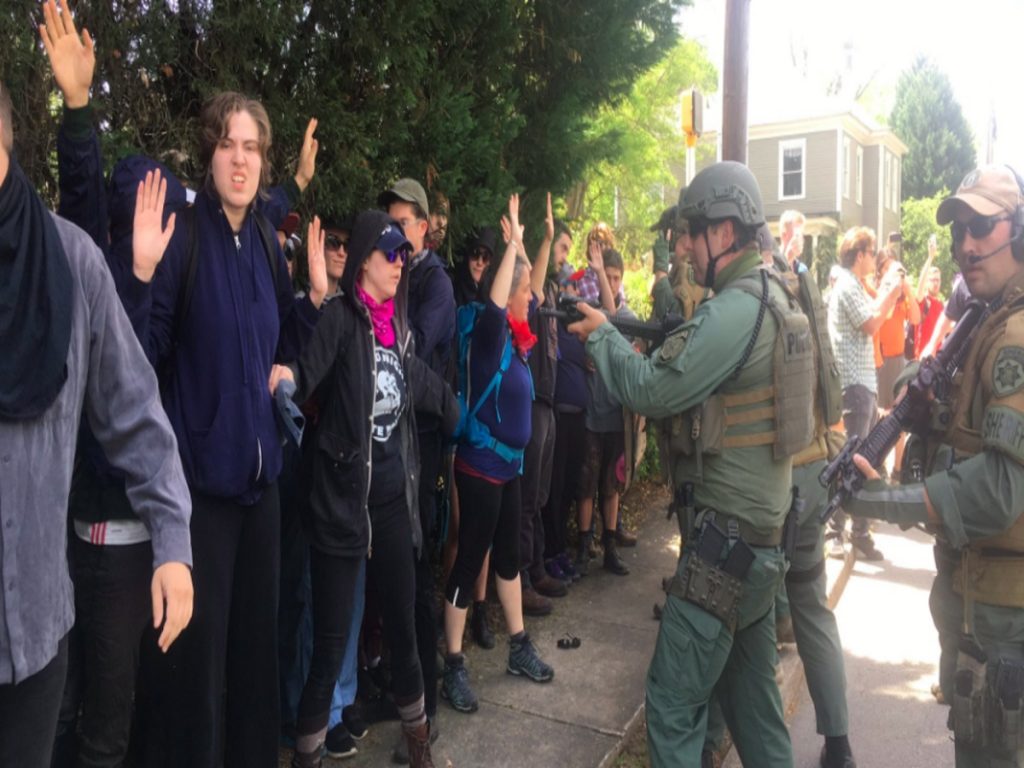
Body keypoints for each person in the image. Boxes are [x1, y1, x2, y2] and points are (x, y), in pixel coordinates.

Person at [568, 161, 813, 767]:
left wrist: (602, 336)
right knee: (754, 710)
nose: (680, 243)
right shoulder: (774, 293)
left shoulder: (735, 310)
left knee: (673, 707)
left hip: (722, 556)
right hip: (759, 548)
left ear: (724, 233)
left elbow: (651, 391)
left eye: (690, 230)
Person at [123, 91, 326, 768]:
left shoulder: (266, 240)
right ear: (209, 152)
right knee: (195, 677)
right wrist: (143, 273)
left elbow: (276, 339)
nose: (239, 160)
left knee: (254, 668)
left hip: (260, 489)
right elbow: (138, 361)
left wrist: (308, 320)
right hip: (199, 498)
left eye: (251, 147)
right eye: (227, 144)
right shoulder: (183, 237)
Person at [0, 78, 194, 768]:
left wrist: (174, 537)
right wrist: (79, 112)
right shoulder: (100, 258)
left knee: (92, 724)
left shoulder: (71, 263)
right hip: (93, 539)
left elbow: (136, 408)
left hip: (46, 618)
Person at [841, 164, 1024, 767]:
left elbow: (999, 490)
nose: (967, 244)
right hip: (978, 602)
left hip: (1004, 613)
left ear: (1018, 232)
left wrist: (882, 500)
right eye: (959, 231)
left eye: (982, 226)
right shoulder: (988, 319)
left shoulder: (1015, 336)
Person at [271, 211, 457, 768]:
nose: (400, 263)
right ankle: (306, 758)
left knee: (402, 629)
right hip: (341, 505)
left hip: (391, 502)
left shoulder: (395, 328)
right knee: (330, 644)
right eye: (390, 254)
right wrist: (287, 380)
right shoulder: (339, 320)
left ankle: (419, 746)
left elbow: (418, 380)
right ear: (365, 263)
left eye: (404, 255)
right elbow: (307, 371)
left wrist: (454, 408)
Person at [441, 194, 555, 715]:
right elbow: (496, 298)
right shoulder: (489, 334)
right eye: (524, 292)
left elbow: (526, 279)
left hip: (509, 466)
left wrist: (529, 246)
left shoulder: (518, 337)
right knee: (469, 565)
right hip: (481, 467)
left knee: (508, 559)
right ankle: (454, 667)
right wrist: (510, 246)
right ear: (505, 296)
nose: (531, 298)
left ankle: (518, 646)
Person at [381, 178, 456, 753]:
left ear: (424, 227)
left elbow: (411, 348)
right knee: (396, 571)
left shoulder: (434, 284)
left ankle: (424, 703)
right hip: (391, 442)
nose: (396, 231)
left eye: (405, 222)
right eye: (391, 221)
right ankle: (402, 691)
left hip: (424, 443)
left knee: (420, 563)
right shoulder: (395, 275)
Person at [826, 226, 902, 562]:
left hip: (863, 384)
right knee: (850, 461)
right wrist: (891, 290)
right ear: (860, 255)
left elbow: (877, 315)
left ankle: (858, 533)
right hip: (854, 385)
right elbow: (872, 323)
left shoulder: (853, 284)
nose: (875, 259)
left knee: (864, 459)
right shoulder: (845, 284)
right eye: (872, 253)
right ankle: (834, 532)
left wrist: (888, 293)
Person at [519, 193, 571, 608]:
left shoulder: (556, 289)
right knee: (527, 496)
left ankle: (535, 570)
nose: (563, 254)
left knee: (539, 495)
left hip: (549, 402)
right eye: (560, 247)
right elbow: (529, 285)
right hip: (534, 398)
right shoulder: (534, 290)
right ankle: (522, 578)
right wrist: (541, 237)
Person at [575, 245, 634, 577]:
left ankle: (610, 546)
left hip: (615, 416)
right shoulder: (588, 315)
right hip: (590, 416)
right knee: (586, 484)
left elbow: (614, 333)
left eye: (614, 277)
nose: (610, 283)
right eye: (605, 276)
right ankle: (584, 546)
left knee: (611, 486)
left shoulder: (627, 319)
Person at [780, 208, 808, 274]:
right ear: (784, 235)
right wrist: (787, 259)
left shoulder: (802, 269)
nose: (801, 240)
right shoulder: (771, 264)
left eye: (802, 235)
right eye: (796, 235)